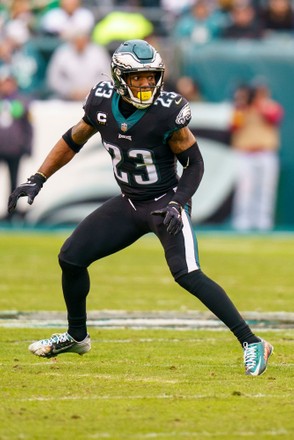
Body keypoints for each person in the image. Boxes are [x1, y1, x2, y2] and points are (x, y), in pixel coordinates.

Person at [8, 39, 273, 376]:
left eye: (150, 76)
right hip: (129, 202)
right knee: (71, 257)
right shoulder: (102, 101)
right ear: (120, 78)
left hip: (163, 203)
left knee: (187, 274)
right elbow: (73, 139)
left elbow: (195, 165)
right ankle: (77, 335)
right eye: (137, 77)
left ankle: (252, 341)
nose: (146, 83)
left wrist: (178, 204)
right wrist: (38, 177)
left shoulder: (167, 111)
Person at [230, 81, 284, 231]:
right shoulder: (241, 108)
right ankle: (243, 221)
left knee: (266, 189)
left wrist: (257, 103)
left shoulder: (271, 105)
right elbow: (233, 126)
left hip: (266, 153)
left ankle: (263, 222)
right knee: (244, 189)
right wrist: (243, 105)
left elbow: (273, 118)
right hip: (245, 154)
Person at [0, 67, 33, 220]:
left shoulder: (21, 101)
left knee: (14, 181)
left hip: (14, 148)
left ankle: (11, 210)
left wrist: (27, 146)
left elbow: (28, 126)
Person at [46, 28, 111, 101]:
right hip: (66, 98)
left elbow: (107, 76)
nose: (80, 43)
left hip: (95, 98)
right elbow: (54, 79)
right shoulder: (62, 53)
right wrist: (70, 91)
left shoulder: (98, 52)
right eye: (77, 40)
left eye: (83, 40)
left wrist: (91, 89)